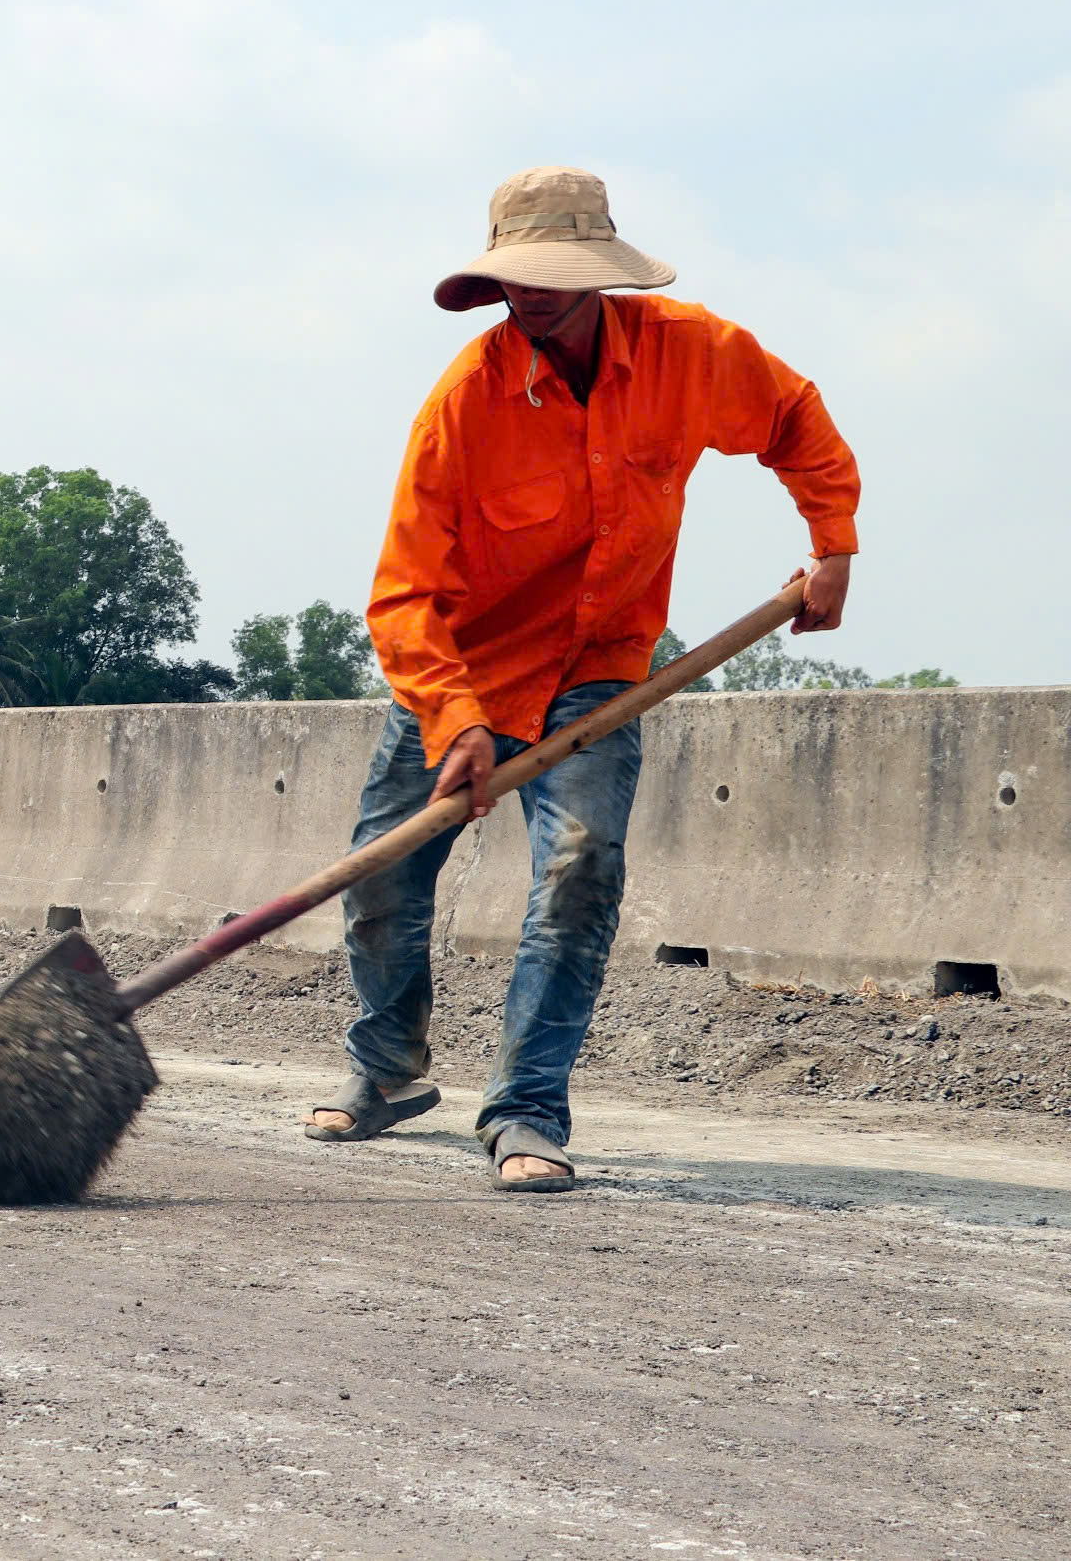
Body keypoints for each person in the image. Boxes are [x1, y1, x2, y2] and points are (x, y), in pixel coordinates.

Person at [307, 167, 860, 1191]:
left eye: (557, 274)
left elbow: (794, 419)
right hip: (461, 674)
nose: (535, 293)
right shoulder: (465, 403)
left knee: (577, 872)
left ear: (602, 274)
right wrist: (453, 719)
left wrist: (830, 544)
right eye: (518, 276)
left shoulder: (691, 355)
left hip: (602, 672)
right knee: (383, 873)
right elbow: (401, 591)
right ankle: (385, 1070)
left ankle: (525, 1112)